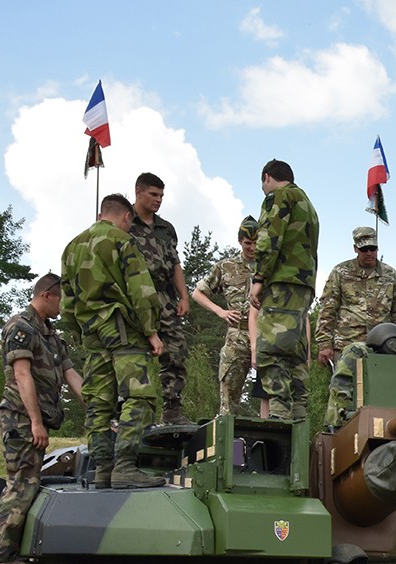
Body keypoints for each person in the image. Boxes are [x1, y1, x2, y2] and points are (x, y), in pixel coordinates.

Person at [0, 273, 86, 564]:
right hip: (20, 418)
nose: (63, 307)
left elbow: (70, 374)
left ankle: (6, 553)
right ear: (46, 295)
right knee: (21, 484)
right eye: (61, 300)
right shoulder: (21, 328)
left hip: (34, 420)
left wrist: (98, 408)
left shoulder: (51, 336)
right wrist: (36, 422)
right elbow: (22, 376)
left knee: (28, 483)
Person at [59, 193, 165, 489]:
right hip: (123, 330)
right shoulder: (122, 241)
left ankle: (103, 468)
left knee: (98, 402)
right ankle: (125, 466)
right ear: (126, 216)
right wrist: (151, 331)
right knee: (139, 396)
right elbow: (141, 289)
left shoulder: (72, 247)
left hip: (92, 333)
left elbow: (67, 303)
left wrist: (80, 332)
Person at [317, 225, 396, 424]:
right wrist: (324, 344)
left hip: (382, 348)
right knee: (344, 393)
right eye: (364, 249)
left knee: (381, 394)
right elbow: (327, 309)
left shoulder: (390, 275)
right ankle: (335, 428)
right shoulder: (341, 272)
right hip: (347, 345)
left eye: (372, 248)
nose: (369, 253)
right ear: (355, 249)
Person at [251, 159, 320, 421]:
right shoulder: (307, 204)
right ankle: (299, 416)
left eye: (263, 185)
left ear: (267, 177)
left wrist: (259, 278)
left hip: (282, 283)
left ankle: (279, 417)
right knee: (295, 355)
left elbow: (268, 240)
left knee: (270, 349)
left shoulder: (278, 197)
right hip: (303, 287)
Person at [127, 173, 190, 424]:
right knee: (132, 353)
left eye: (162, 195)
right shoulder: (125, 222)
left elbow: (175, 264)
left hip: (164, 297)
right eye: (153, 194)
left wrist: (184, 296)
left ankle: (172, 410)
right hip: (135, 296)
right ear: (138, 192)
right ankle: (128, 413)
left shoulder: (166, 228)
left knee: (176, 351)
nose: (158, 200)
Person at [192, 216, 258, 416]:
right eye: (248, 243)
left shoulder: (269, 267)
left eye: (256, 243)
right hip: (237, 337)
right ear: (240, 241)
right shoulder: (226, 267)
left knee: (272, 398)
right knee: (229, 399)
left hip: (265, 338)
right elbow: (197, 294)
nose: (252, 248)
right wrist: (220, 311)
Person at [324, 321, 396, 429]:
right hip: (342, 422)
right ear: (392, 343)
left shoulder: (387, 362)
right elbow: (341, 384)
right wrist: (343, 418)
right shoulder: (358, 351)